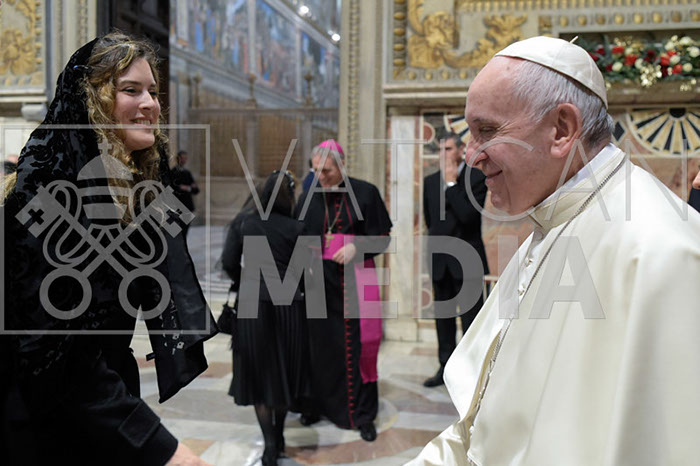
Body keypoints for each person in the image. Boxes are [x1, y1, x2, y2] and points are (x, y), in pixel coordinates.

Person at [409, 36, 700, 465]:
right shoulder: (554, 222)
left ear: (562, 129)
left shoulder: (662, 252)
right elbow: (482, 430)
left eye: (486, 131)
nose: (471, 156)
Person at [1, 32, 216, 465]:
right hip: (46, 423)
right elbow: (56, 355)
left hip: (104, 404)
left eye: (153, 91)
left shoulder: (129, 190)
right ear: (93, 102)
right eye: (131, 90)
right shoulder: (46, 195)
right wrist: (163, 448)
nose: (151, 104)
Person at [296, 139, 392, 442]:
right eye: (315, 171)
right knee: (319, 347)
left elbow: (383, 237)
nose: (320, 177)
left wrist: (356, 246)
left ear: (341, 165)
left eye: (326, 171)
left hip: (355, 280)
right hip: (318, 284)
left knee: (360, 347)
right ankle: (317, 406)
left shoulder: (365, 193)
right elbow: (297, 238)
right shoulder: (308, 197)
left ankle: (362, 415)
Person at [221, 170, 310, 466]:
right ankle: (279, 436)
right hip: (289, 306)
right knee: (284, 372)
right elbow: (305, 272)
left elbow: (229, 262)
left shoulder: (245, 223)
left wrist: (245, 281)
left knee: (259, 374)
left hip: (252, 304)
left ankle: (270, 444)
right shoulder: (297, 227)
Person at [422, 132, 488, 387]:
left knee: (472, 320)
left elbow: (468, 216)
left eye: (448, 149)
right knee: (443, 320)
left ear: (461, 150)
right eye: (440, 150)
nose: (444, 154)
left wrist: (451, 185)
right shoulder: (430, 182)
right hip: (440, 261)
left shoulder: (475, 178)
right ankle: (445, 368)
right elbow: (431, 222)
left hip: (467, 261)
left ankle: (473, 372)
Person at [170, 150, 199, 236]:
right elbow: (172, 188)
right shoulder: (172, 172)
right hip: (177, 206)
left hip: (187, 205)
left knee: (185, 230)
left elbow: (195, 190)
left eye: (185, 158)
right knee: (176, 231)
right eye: (182, 158)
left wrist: (187, 188)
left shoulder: (187, 173)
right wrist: (182, 187)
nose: (184, 160)